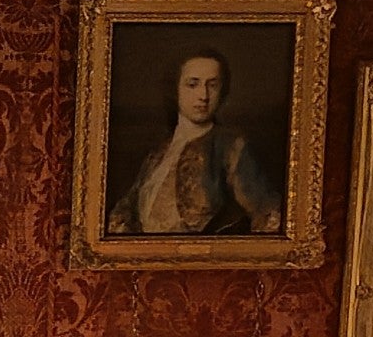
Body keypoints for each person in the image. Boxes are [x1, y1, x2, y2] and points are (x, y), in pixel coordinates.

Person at [108, 48, 283, 236]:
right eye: (193, 85)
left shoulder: (230, 146)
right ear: (175, 89)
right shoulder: (159, 153)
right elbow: (126, 209)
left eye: (213, 85)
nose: (204, 96)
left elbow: (267, 213)